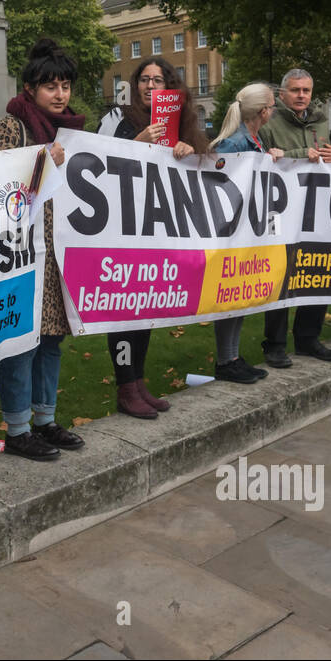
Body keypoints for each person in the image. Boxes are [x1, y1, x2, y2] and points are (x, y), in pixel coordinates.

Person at [0, 39, 85, 460]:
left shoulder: (70, 132)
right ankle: (19, 428)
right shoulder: (12, 127)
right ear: (30, 89)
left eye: (65, 86)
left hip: (56, 250)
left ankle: (46, 419)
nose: (60, 95)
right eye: (50, 87)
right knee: (22, 341)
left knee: (51, 340)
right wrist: (44, 162)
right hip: (22, 253)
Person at [98, 56, 208, 417]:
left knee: (144, 309)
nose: (150, 86)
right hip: (121, 231)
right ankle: (125, 385)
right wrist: (139, 143)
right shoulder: (117, 119)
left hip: (156, 231)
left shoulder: (180, 122)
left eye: (158, 81)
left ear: (168, 86)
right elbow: (99, 161)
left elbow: (198, 171)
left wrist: (189, 151)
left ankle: (138, 381)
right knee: (123, 312)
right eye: (144, 80)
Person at [258, 68, 331, 367]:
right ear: (282, 94)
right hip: (281, 212)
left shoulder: (320, 122)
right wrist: (298, 152)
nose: (301, 96)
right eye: (295, 90)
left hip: (316, 209)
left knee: (316, 273)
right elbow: (265, 160)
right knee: (281, 277)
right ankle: (275, 344)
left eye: (306, 90)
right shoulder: (269, 121)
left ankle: (308, 339)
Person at [206, 83, 284, 383]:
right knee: (229, 294)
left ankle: (233, 357)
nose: (273, 110)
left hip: (247, 231)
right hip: (233, 233)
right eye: (272, 105)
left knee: (240, 294)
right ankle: (226, 360)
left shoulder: (252, 141)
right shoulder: (235, 144)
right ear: (263, 112)